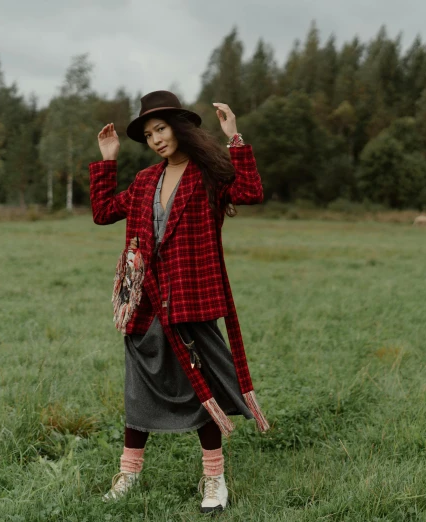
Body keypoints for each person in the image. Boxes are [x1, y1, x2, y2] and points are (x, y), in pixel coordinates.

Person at [89, 90, 270, 513]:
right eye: (148, 133)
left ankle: (214, 479)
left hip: (191, 301)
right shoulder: (145, 181)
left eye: (161, 129)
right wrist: (108, 158)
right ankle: (129, 473)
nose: (155, 139)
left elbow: (251, 192)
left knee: (199, 389)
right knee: (138, 392)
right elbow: (101, 212)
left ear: (180, 127)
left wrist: (235, 138)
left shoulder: (209, 175)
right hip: (145, 303)